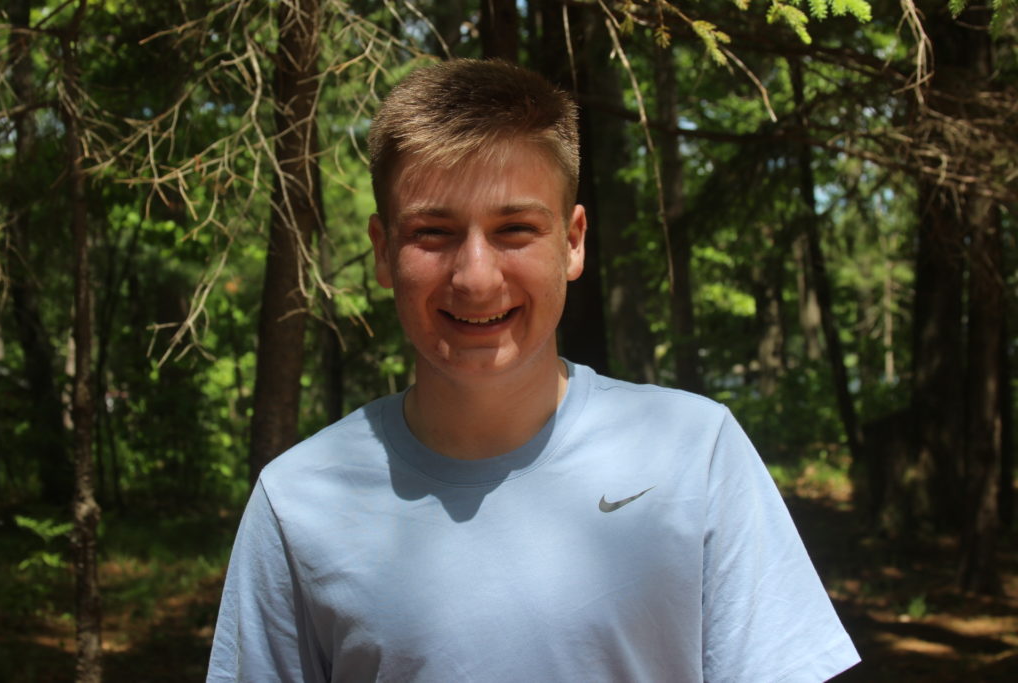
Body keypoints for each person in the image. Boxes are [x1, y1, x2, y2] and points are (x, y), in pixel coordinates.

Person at [207, 58, 860, 682]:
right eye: (433, 232)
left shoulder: (694, 451)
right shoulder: (298, 502)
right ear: (383, 252)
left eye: (515, 228)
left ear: (572, 242)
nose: (476, 278)